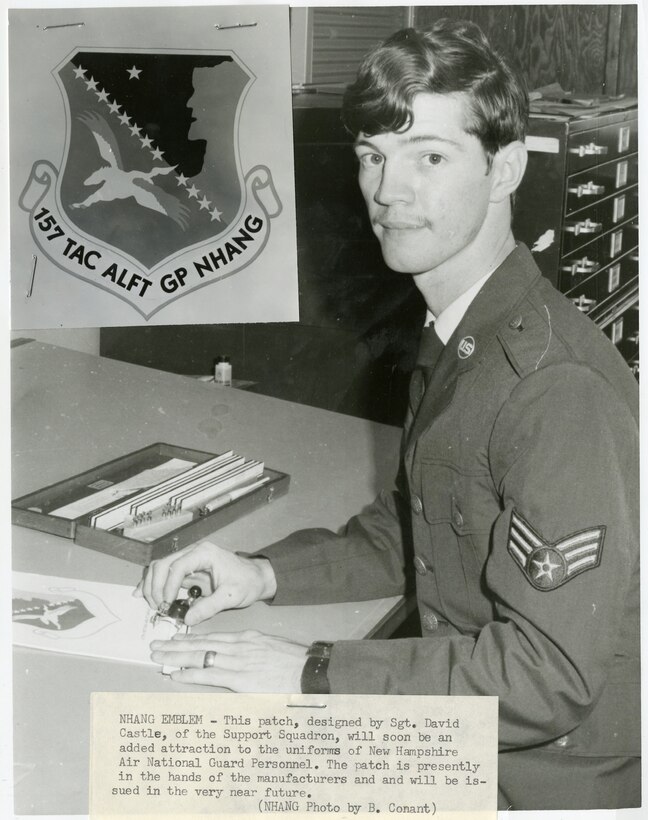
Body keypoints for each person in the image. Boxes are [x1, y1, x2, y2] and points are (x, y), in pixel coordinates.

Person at [136, 20, 640, 811]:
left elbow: (551, 677)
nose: (388, 190)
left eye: (430, 157)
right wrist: (264, 574)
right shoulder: (463, 326)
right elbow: (422, 527)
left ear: (505, 169)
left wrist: (315, 670)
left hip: (543, 788)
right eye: (374, 155)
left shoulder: (553, 388)